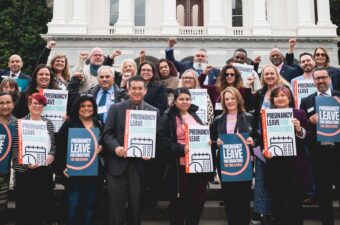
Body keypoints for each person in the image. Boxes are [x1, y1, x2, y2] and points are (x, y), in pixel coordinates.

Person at [103, 75, 159, 225]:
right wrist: (116, 148)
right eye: (133, 88)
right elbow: (107, 134)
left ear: (145, 90)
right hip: (117, 166)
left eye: (140, 88)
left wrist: (150, 151)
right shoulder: (115, 108)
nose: (137, 91)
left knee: (135, 209)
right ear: (128, 89)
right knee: (116, 209)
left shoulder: (154, 111)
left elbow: (157, 138)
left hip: (139, 166)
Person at [157, 87, 211, 225]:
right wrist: (181, 148)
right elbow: (162, 142)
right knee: (179, 203)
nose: (185, 101)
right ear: (174, 101)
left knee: (197, 202)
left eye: (187, 99)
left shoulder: (195, 115)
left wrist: (208, 141)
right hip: (179, 167)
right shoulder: (167, 117)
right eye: (181, 99)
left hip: (198, 166)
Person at [265, 85, 311, 225]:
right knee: (278, 204)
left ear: (289, 98)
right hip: (275, 165)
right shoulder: (266, 114)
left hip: (295, 165)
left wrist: (299, 129)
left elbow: (309, 135)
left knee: (295, 205)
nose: (280, 98)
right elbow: (262, 139)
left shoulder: (299, 113)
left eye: (283, 95)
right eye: (277, 96)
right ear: (272, 99)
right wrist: (265, 151)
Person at [300, 67, 340, 225]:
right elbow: (302, 130)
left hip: (338, 152)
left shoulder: (339, 97)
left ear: (330, 78)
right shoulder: (307, 101)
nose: (321, 81)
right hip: (319, 155)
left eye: (324, 77)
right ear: (313, 81)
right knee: (324, 194)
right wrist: (309, 122)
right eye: (317, 78)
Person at [251, 64, 290, 224]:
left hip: (281, 142)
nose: (269, 76)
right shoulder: (259, 94)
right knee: (261, 179)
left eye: (271, 73)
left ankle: (278, 212)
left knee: (279, 179)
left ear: (277, 74)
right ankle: (263, 212)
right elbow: (253, 117)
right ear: (263, 77)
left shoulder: (285, 90)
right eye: (266, 74)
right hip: (262, 143)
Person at [210, 87, 255, 225]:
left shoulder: (249, 117)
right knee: (230, 200)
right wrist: (215, 142)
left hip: (244, 164)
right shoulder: (218, 119)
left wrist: (253, 141)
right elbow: (211, 140)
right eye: (227, 99)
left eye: (232, 98)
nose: (230, 101)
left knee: (243, 199)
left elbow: (258, 138)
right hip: (225, 165)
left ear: (238, 99)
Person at [56, 95, 103, 225]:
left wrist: (101, 148)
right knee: (74, 205)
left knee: (89, 205)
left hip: (92, 173)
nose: (86, 108)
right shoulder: (69, 123)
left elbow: (103, 144)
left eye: (89, 106)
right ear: (77, 108)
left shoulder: (98, 124)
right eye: (83, 106)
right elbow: (59, 146)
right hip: (74, 172)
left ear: (94, 108)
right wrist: (62, 167)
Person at [12, 93, 56, 225]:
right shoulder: (19, 123)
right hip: (24, 172)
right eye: (35, 103)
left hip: (43, 172)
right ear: (29, 105)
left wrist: (51, 155)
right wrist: (26, 163)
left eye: (40, 103)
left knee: (42, 206)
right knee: (24, 207)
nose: (37, 106)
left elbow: (53, 145)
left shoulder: (48, 123)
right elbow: (15, 148)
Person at [0, 92, 17, 224]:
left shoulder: (17, 124)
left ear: (13, 104)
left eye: (8, 102)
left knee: (1, 206)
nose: (5, 106)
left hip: (4, 173)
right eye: (1, 103)